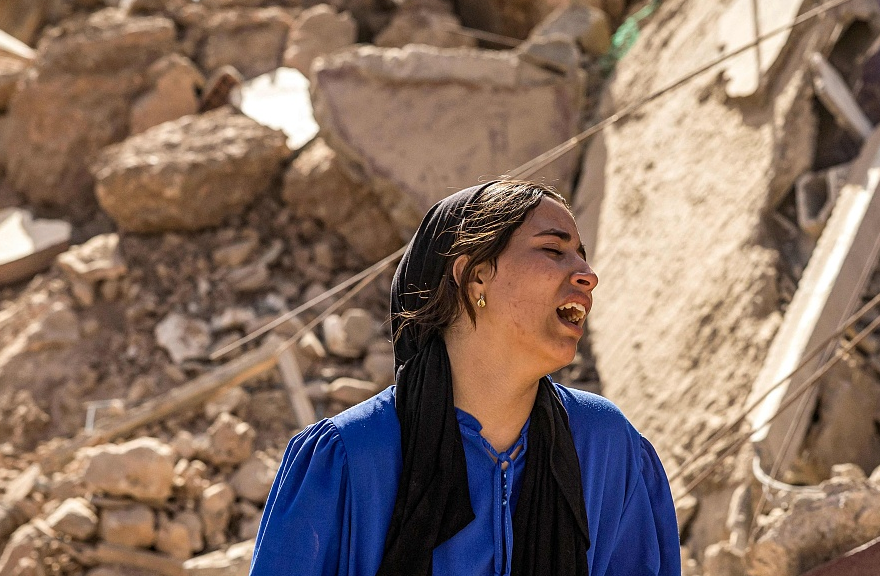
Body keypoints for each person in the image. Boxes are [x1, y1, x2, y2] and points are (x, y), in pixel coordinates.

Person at [249, 180, 681, 576]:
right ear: (473, 275)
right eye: (554, 250)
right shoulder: (349, 458)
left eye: (583, 256)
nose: (588, 276)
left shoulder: (607, 446)